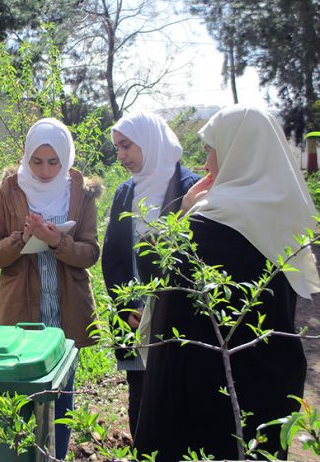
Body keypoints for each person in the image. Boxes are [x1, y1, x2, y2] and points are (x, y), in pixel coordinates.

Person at [134, 105, 320, 461]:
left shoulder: (208, 223)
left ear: (237, 150)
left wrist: (183, 212)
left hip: (205, 390)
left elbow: (158, 278)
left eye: (209, 149)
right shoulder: (288, 213)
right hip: (268, 380)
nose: (205, 164)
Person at [0, 117, 101, 459]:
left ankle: (57, 454)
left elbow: (91, 253)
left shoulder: (80, 192)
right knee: (22, 393)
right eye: (37, 161)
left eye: (54, 162)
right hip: (23, 311)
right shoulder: (8, 190)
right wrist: (22, 238)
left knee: (63, 394)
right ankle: (25, 455)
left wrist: (57, 242)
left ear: (66, 159)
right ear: (26, 157)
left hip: (67, 311)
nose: (46, 170)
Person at [101, 111, 200, 438]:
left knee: (181, 396)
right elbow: (113, 258)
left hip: (179, 319)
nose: (121, 155)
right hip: (133, 318)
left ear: (149, 141)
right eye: (118, 147)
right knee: (140, 396)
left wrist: (167, 309)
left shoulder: (189, 190)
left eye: (127, 146)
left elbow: (196, 259)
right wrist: (126, 307)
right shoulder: (125, 193)